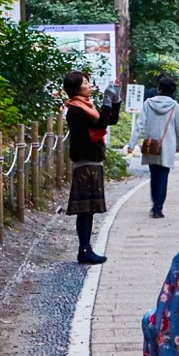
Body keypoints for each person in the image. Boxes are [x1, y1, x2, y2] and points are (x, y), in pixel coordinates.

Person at [64, 71, 120, 264]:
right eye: (85, 83)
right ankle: (84, 249)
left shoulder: (86, 107)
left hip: (92, 161)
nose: (89, 86)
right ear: (76, 88)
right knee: (85, 209)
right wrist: (106, 99)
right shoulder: (76, 111)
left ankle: (86, 248)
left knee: (89, 209)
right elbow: (100, 123)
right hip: (85, 162)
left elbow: (110, 121)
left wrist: (115, 99)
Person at [141, 74, 179, 219]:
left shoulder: (148, 103)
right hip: (168, 145)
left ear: (159, 88)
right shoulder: (175, 106)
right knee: (163, 176)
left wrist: (131, 143)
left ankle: (155, 204)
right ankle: (158, 208)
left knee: (153, 175)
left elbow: (139, 124)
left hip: (151, 145)